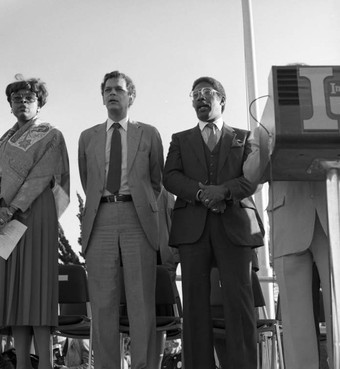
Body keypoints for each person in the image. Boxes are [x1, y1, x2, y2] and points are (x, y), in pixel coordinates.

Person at [163, 76, 264, 369]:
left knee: (240, 304)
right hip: (193, 230)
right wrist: (200, 193)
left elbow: (251, 179)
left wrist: (224, 192)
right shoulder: (180, 139)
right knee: (194, 305)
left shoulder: (244, 137)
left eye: (207, 92)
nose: (200, 97)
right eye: (195, 94)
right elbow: (170, 176)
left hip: (235, 226)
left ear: (222, 99)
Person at [0, 76, 70, 369]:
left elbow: (42, 175)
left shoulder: (51, 134)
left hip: (34, 214)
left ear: (39, 103)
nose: (22, 102)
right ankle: (21, 363)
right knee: (14, 290)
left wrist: (13, 206)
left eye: (29, 98)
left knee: (36, 287)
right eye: (16, 98)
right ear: (10, 105)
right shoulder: (2, 141)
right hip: (4, 218)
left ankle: (44, 363)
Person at [78, 70, 164, 369]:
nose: (113, 94)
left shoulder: (149, 133)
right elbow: (87, 178)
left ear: (131, 96)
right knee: (102, 305)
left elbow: (156, 181)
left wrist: (137, 202)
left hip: (137, 218)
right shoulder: (88, 137)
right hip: (100, 217)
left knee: (141, 303)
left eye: (119, 89)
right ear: (102, 97)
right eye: (108, 90)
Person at [243, 123, 333, 369]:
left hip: (332, 218)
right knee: (295, 319)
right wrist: (265, 144)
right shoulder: (265, 119)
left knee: (338, 310)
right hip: (288, 221)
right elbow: (251, 179)